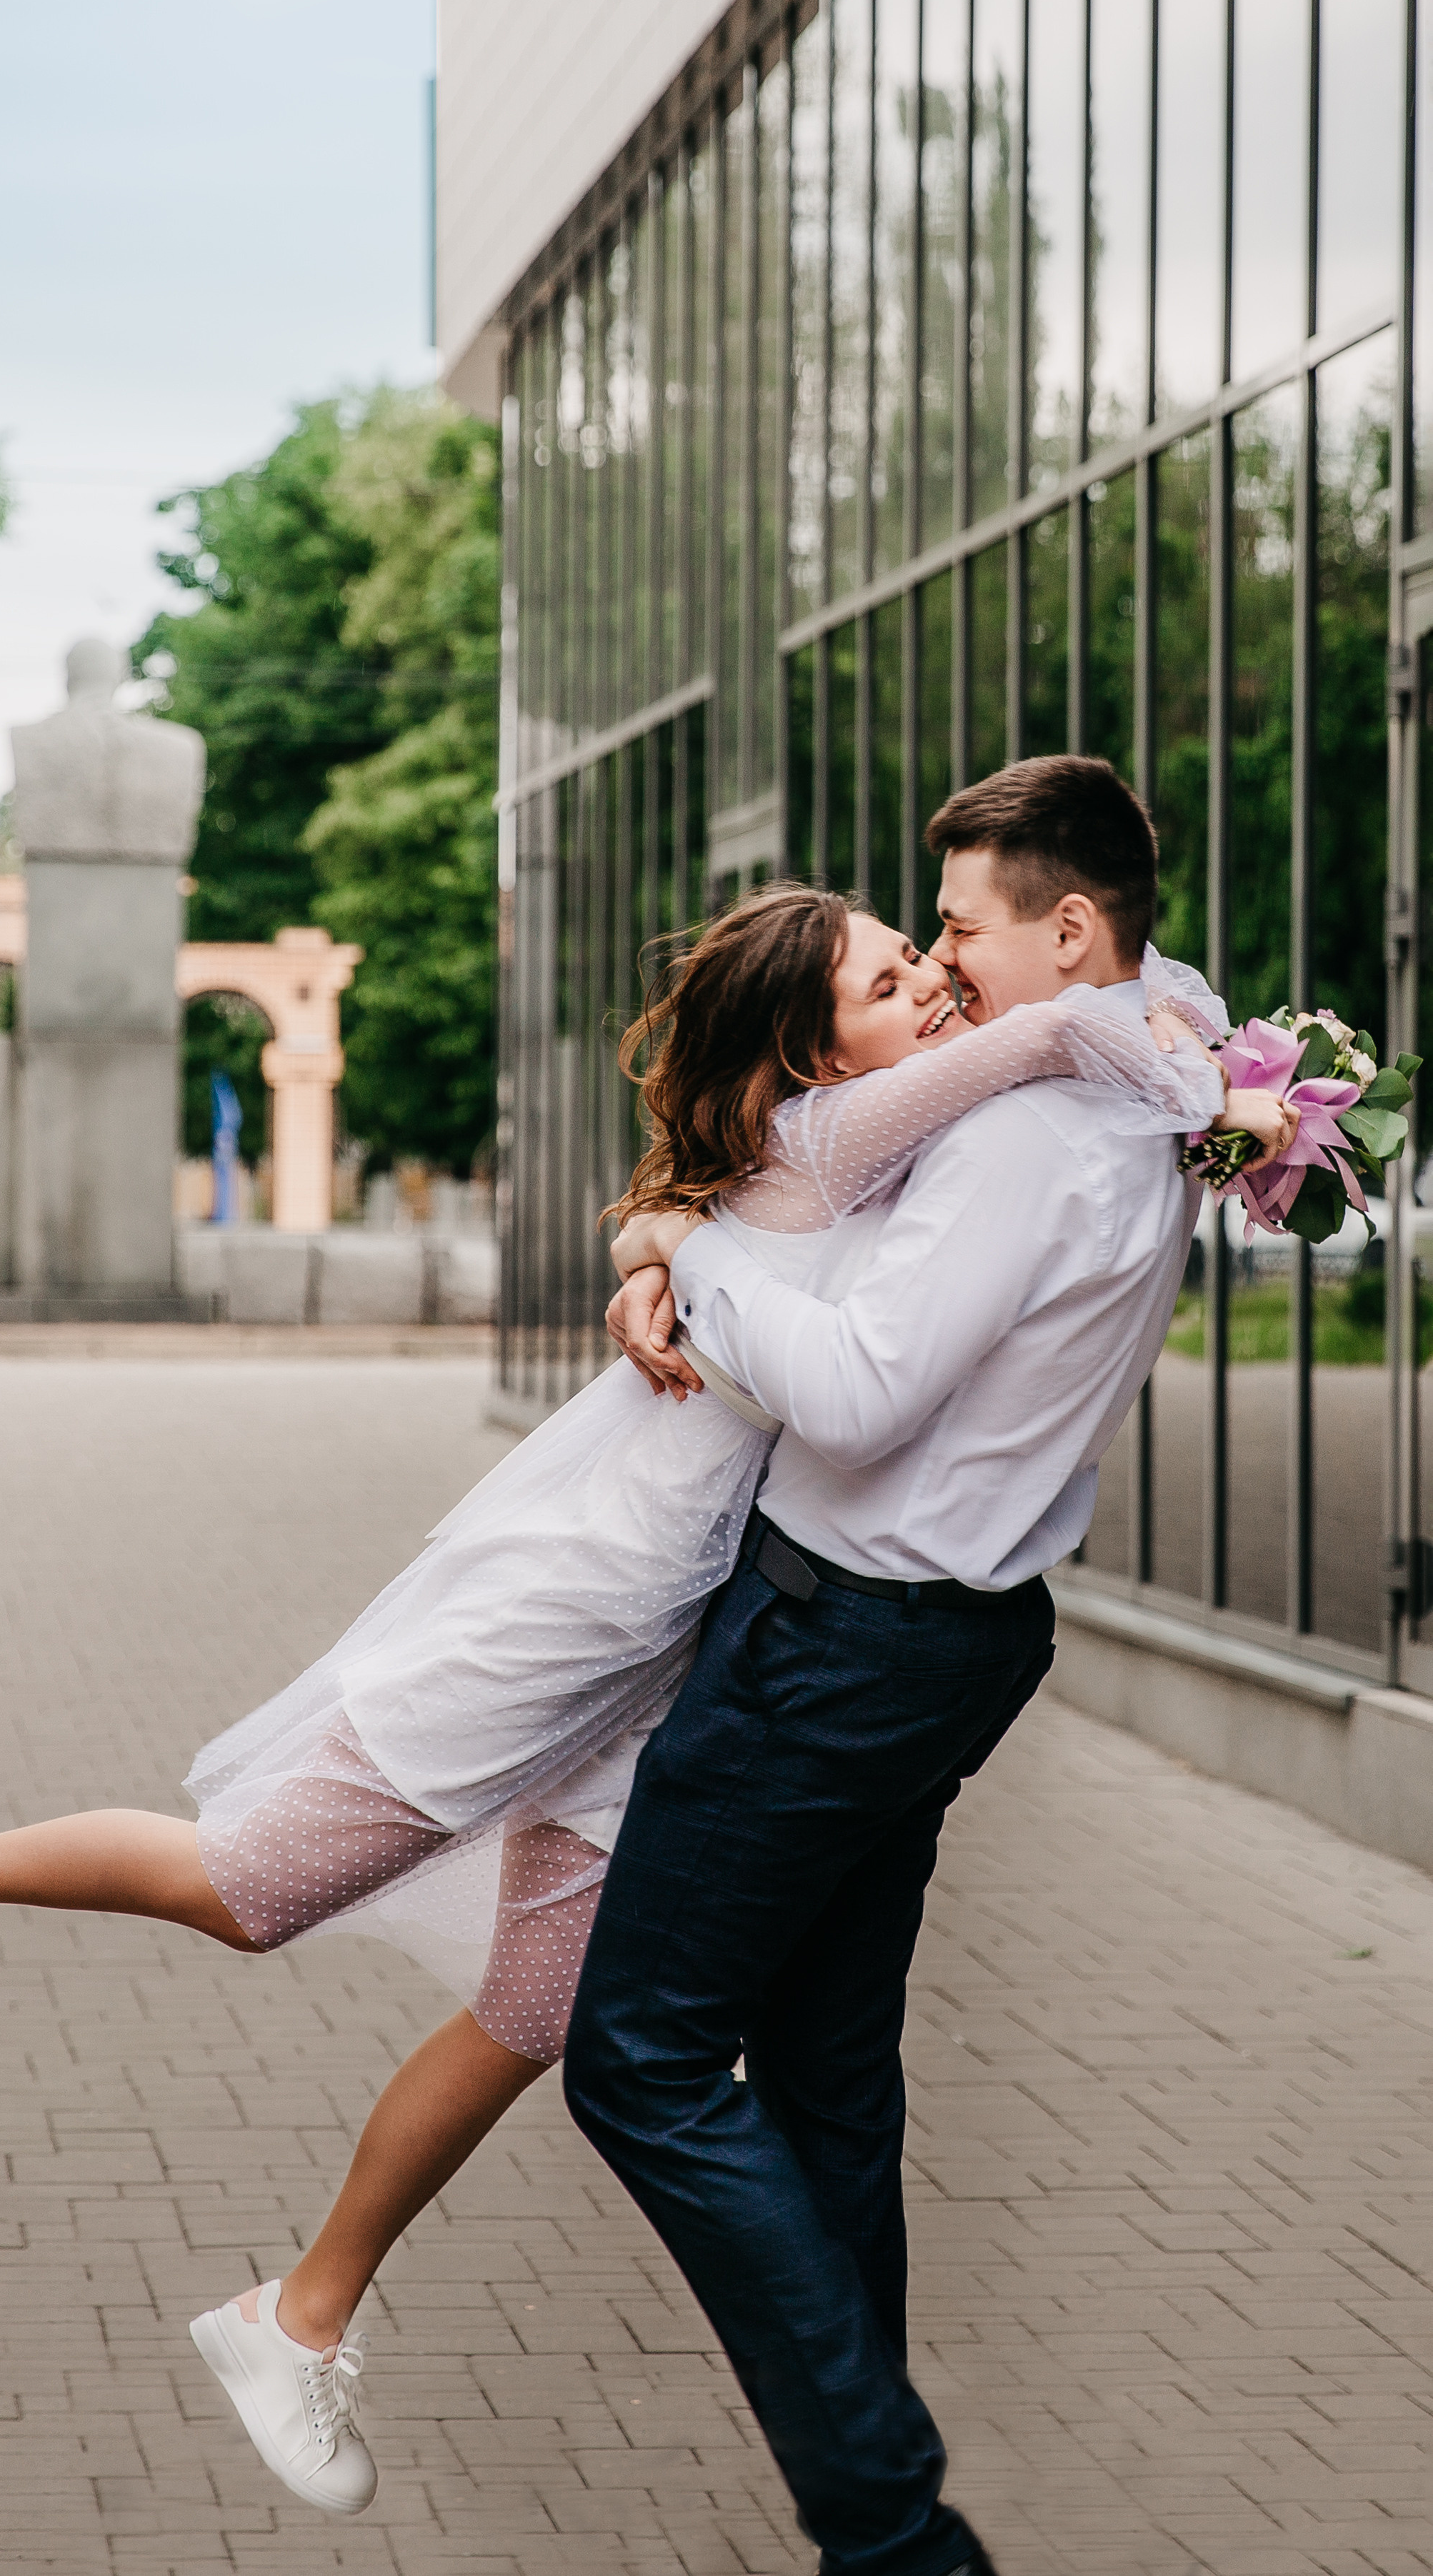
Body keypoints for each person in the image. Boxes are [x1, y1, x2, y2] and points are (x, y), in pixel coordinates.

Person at [0, 861, 1282, 2529]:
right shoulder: (840, 1136)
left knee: (544, 2009)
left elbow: (934, 1103)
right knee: (254, 1890)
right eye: (896, 980)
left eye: (928, 960)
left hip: (678, 1648)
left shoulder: (870, 1141)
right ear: (812, 1057)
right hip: (569, 1609)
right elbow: (1044, 1046)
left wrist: (658, 1240)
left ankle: (295, 2315)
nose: (935, 994)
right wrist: (1201, 1051)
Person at [566, 756, 1233, 2576]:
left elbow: (856, 1394)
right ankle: (874, 2513)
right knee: (828, 2076)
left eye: (958, 926)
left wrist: (681, 1254)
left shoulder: (1029, 1134)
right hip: (950, 1639)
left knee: (634, 2060)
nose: (937, 967)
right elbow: (1185, 1007)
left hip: (837, 1639)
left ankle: (887, 2521)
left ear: (1068, 926)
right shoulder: (1158, 1052)